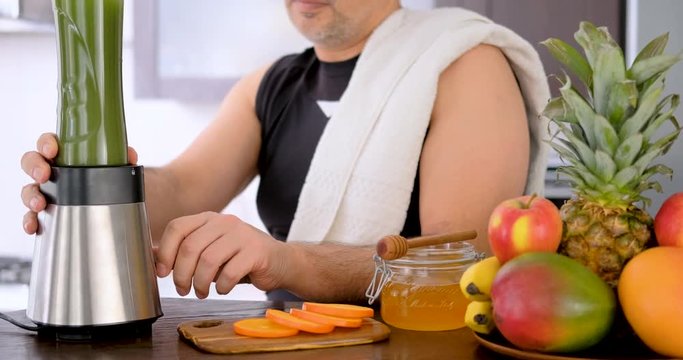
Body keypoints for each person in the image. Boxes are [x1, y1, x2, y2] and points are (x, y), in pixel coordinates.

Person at [20, 0, 550, 303]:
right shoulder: (269, 86)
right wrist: (87, 182)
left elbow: (452, 266)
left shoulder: (465, 65)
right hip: (286, 341)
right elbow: (179, 189)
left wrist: (288, 261)